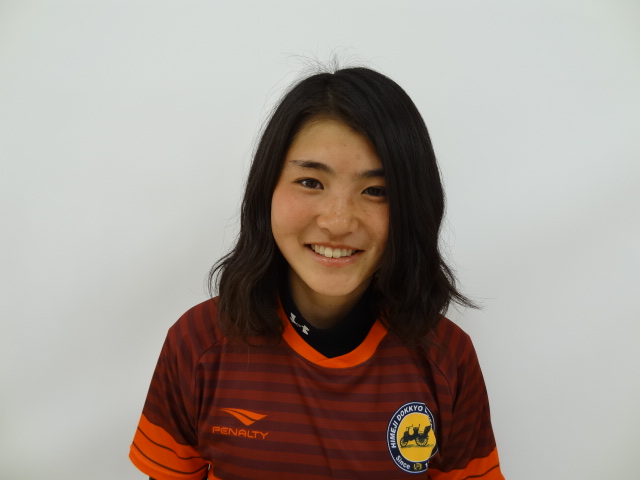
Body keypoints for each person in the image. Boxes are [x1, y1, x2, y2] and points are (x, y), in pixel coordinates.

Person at [129, 66, 505, 479]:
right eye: (310, 182)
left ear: (414, 207)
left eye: (376, 191)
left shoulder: (447, 357)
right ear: (266, 191)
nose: (338, 222)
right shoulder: (197, 342)